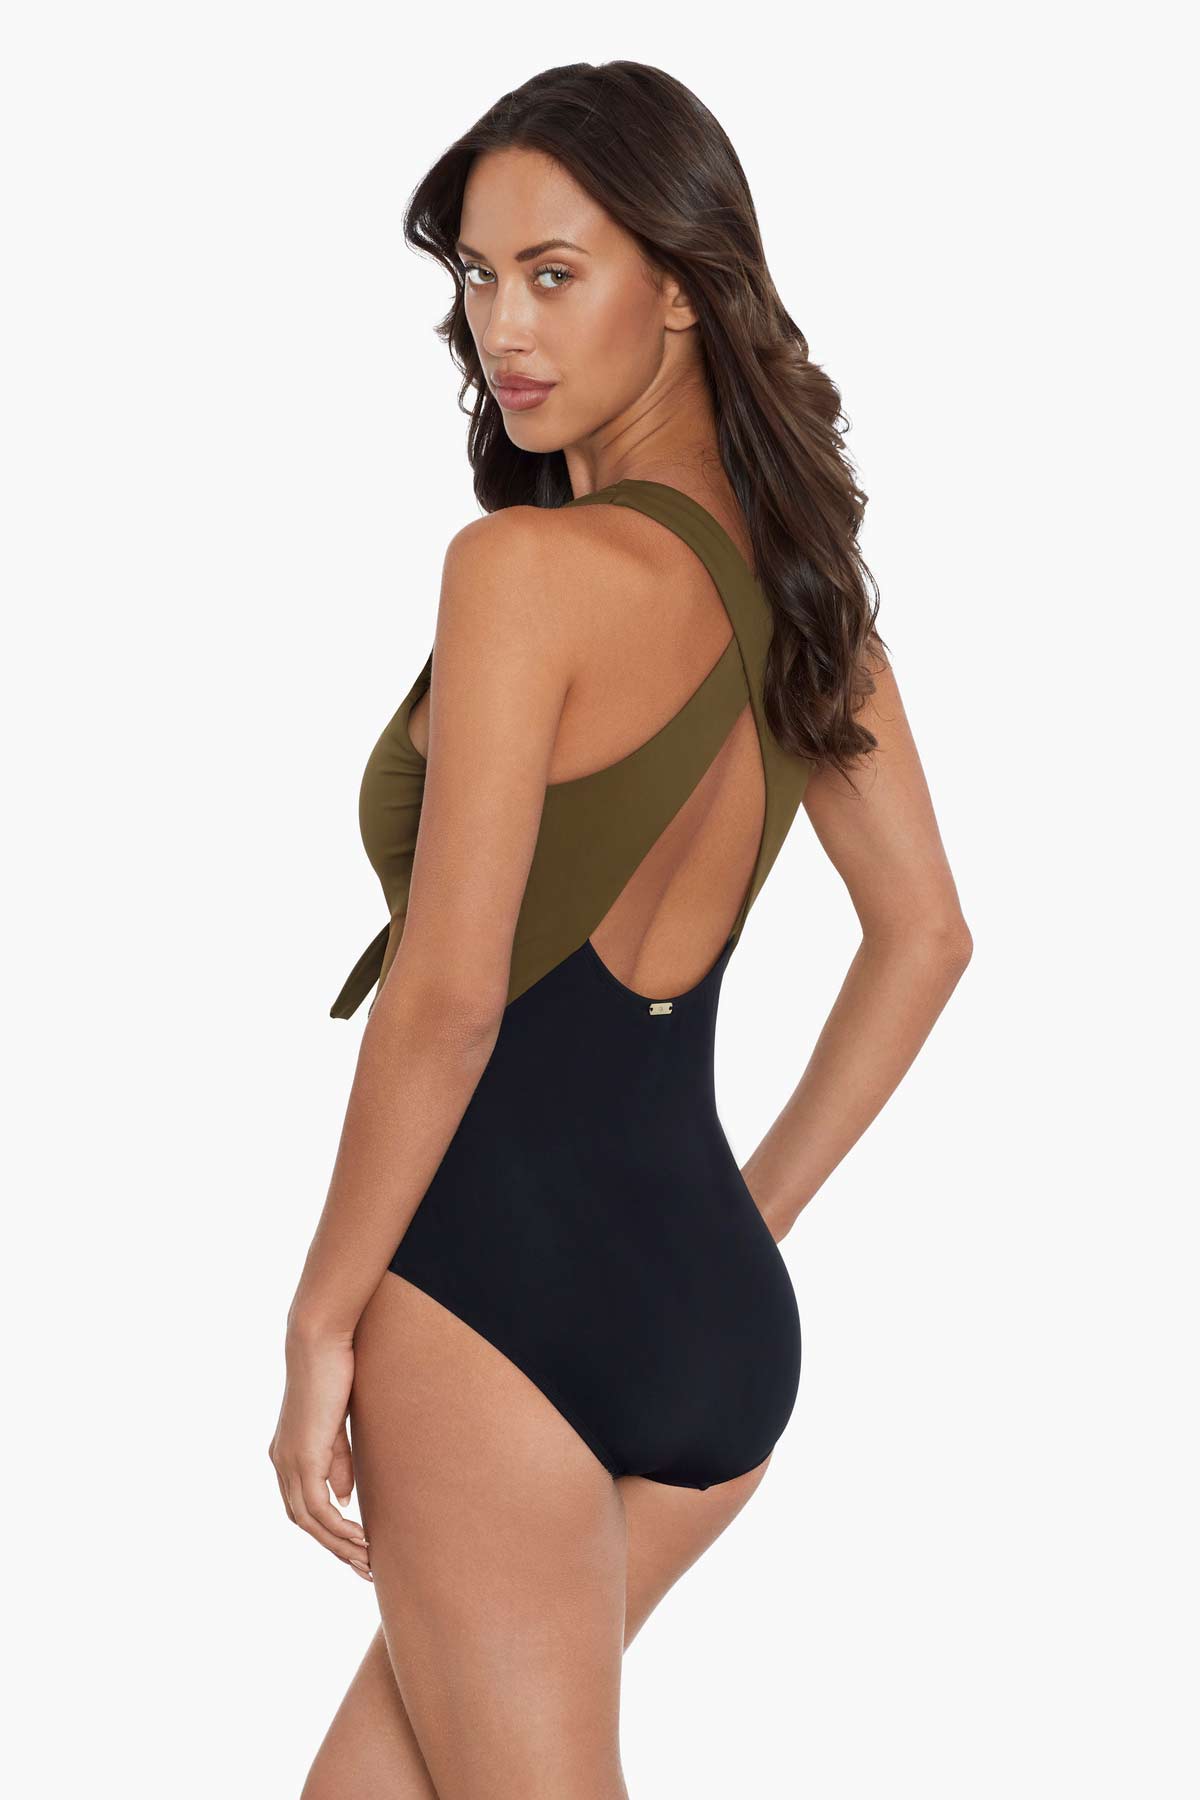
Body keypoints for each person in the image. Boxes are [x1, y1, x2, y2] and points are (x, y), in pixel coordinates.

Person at [270, 60, 972, 1800]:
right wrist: (742, 1225)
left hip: (487, 1303)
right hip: (706, 1315)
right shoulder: (808, 603)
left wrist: (320, 1318)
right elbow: (927, 938)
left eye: (554, 273)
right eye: (478, 274)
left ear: (679, 285)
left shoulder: (520, 574)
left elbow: (449, 1002)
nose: (502, 325)